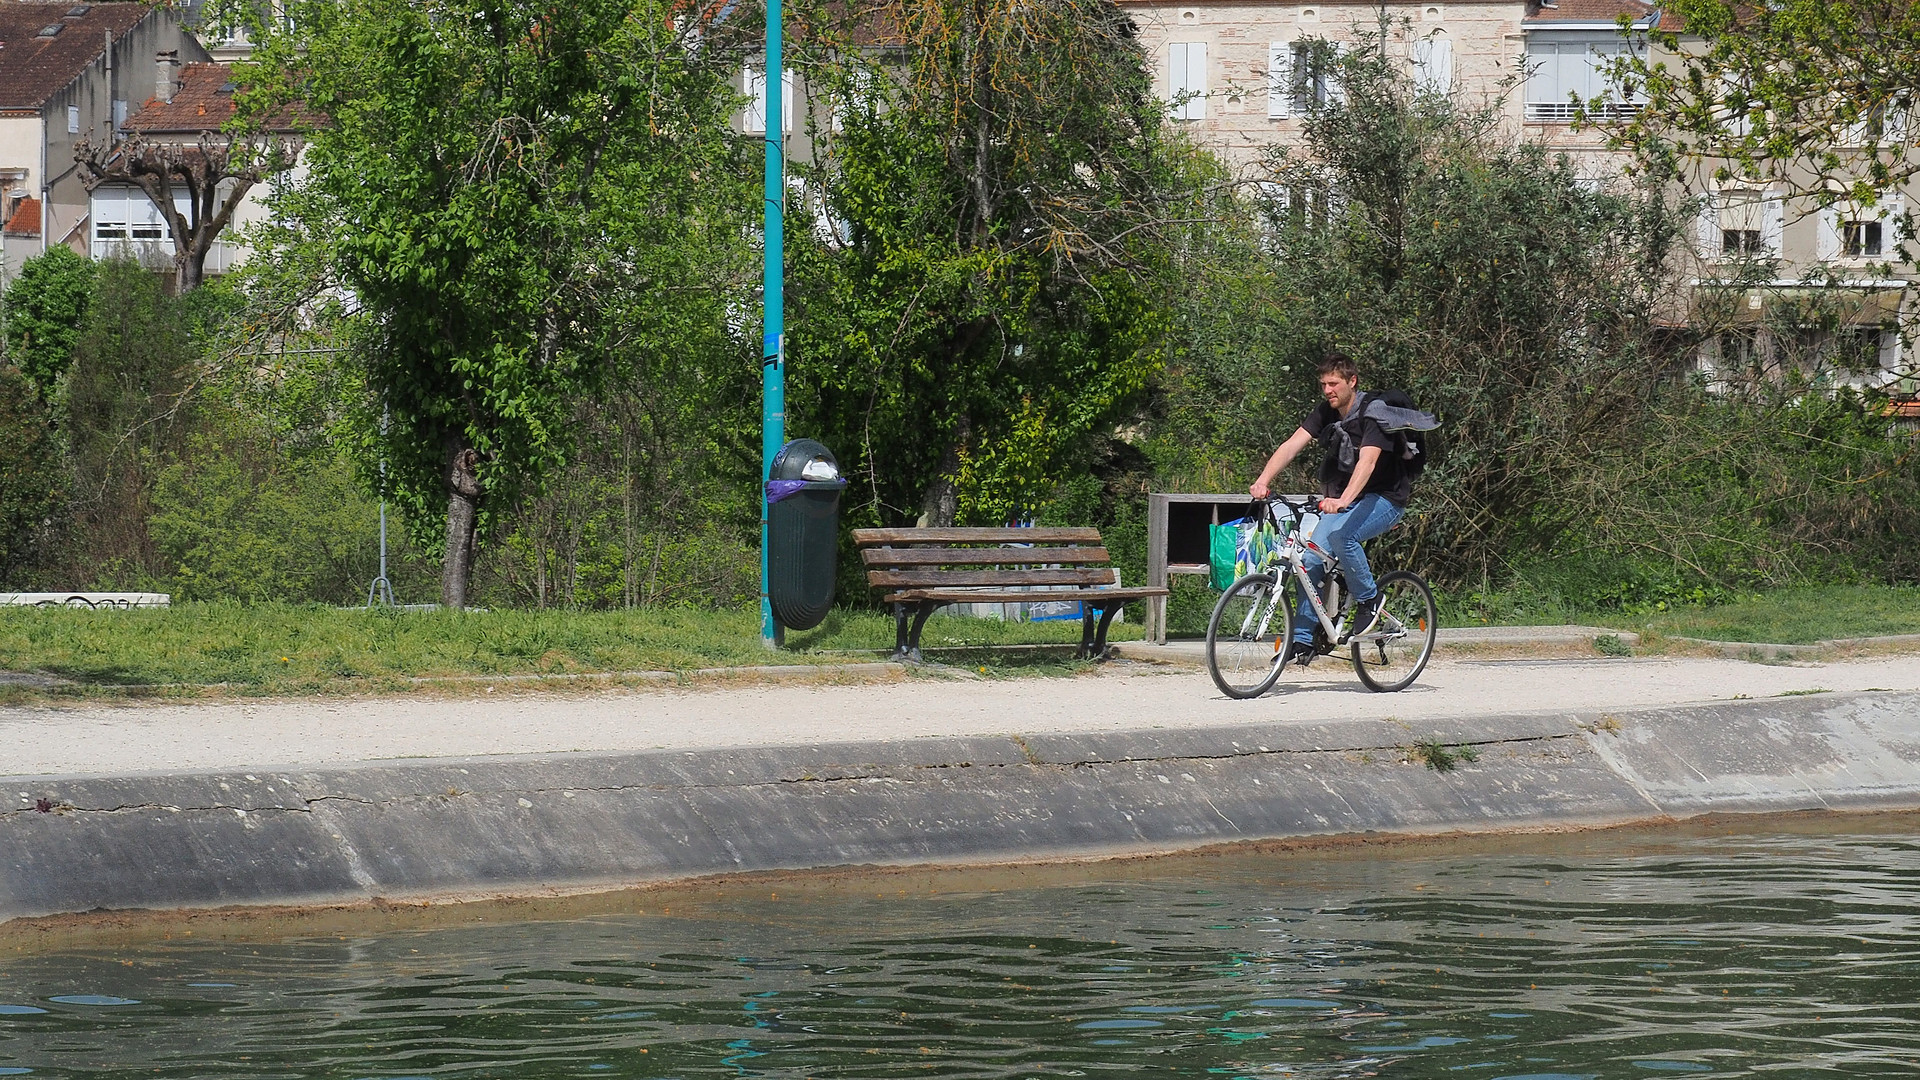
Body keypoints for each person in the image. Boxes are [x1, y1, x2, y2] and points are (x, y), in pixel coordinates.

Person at [1249, 351, 1411, 665]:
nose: (1327, 390)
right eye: (1323, 384)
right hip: (1346, 500)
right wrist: (1263, 480)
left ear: (1352, 381)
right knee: (1310, 557)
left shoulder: (1374, 413)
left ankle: (1370, 599)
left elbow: (1368, 461)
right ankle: (1304, 640)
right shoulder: (1327, 410)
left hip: (1385, 499)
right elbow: (1293, 443)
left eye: (1333, 383)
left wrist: (1344, 500)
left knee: (1342, 538)